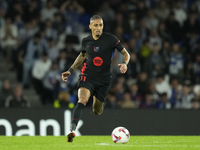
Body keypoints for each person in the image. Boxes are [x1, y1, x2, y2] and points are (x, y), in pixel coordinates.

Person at [61, 15, 130, 142]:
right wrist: (70, 70)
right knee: (82, 100)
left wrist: (125, 63)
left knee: (97, 110)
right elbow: (82, 56)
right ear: (90, 26)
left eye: (101, 25)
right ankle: (71, 131)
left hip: (103, 80)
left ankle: (97, 102)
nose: (99, 28)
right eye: (96, 25)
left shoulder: (111, 39)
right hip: (88, 76)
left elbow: (126, 54)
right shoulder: (86, 41)